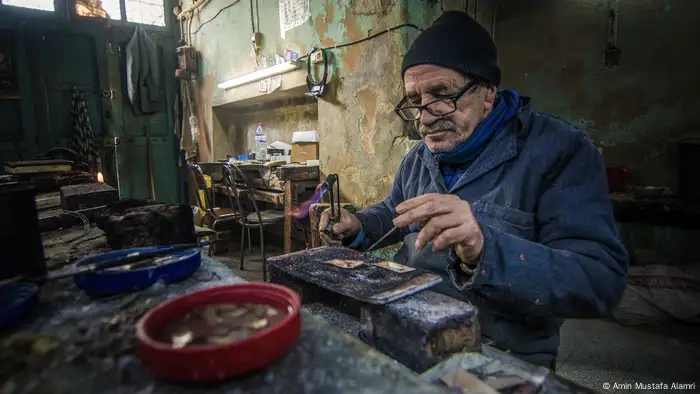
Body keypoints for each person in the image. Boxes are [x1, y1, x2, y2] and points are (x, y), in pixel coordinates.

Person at [318, 11, 629, 369]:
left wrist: (484, 250)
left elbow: (600, 282)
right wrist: (358, 224)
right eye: (415, 100)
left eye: (442, 94)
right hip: (412, 327)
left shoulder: (560, 153)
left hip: (501, 352)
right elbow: (396, 210)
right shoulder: (421, 156)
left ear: (488, 93)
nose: (425, 117)